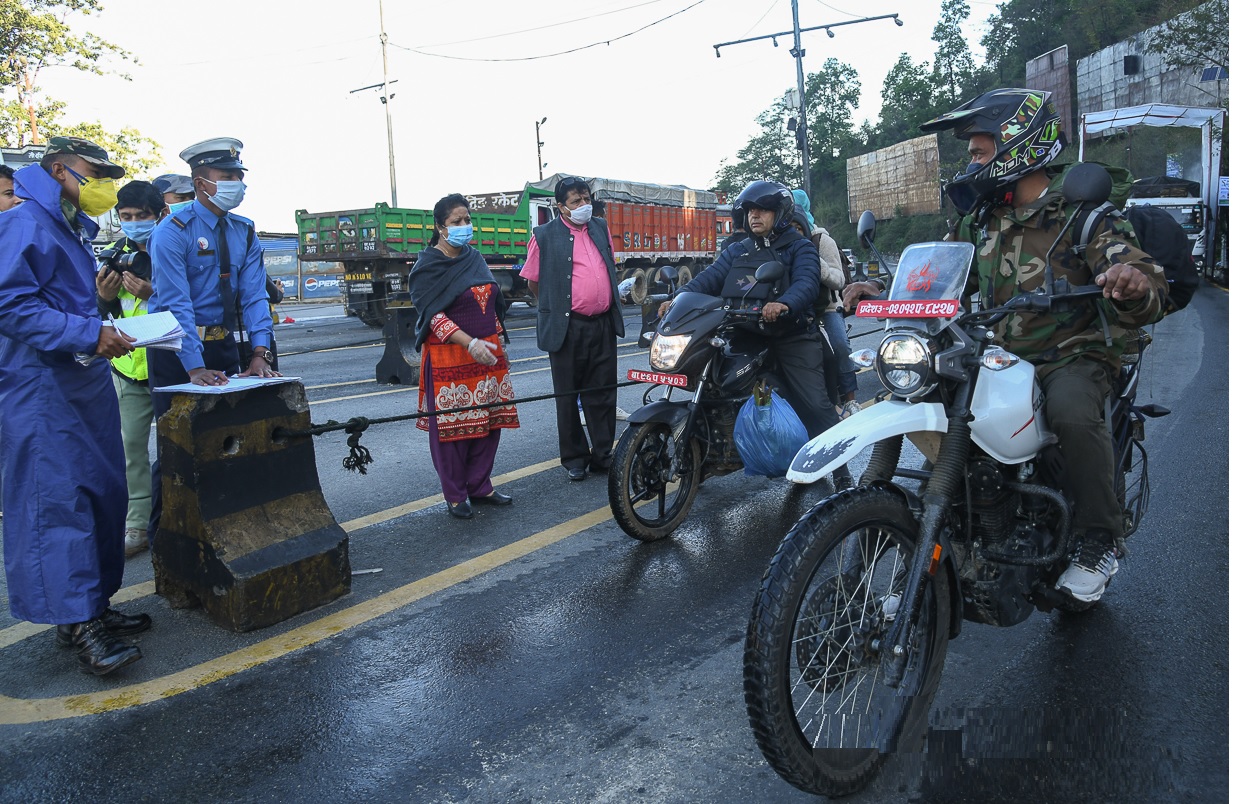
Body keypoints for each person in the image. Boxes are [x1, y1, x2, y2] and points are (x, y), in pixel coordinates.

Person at [843, 88, 1167, 604]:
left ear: (1018, 145)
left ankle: (1098, 540)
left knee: (1071, 409)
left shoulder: (1083, 216)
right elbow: (938, 279)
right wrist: (884, 294)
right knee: (937, 404)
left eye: (978, 151)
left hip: (1073, 352)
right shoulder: (980, 219)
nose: (971, 162)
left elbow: (1142, 278)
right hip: (996, 353)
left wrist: (1130, 279)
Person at [0, 136, 151, 675]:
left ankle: (94, 607)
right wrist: (89, 334)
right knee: (57, 504)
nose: (106, 184)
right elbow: (11, 307)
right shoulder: (25, 224)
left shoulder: (67, 226)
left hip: (80, 384)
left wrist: (98, 324)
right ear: (59, 170)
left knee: (99, 495)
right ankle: (78, 624)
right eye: (98, 173)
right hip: (43, 389)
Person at [658, 180, 852, 490]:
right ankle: (709, 452)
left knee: (815, 405)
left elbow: (806, 283)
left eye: (763, 210)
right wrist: (678, 298)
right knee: (713, 383)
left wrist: (784, 304)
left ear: (781, 213)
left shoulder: (799, 247)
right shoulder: (738, 249)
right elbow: (709, 279)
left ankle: (841, 471)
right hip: (746, 332)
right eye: (750, 211)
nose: (755, 216)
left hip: (792, 334)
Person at [146, 137, 278, 538]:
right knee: (178, 445)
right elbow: (175, 304)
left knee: (225, 440)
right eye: (228, 176)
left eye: (239, 175)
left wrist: (260, 353)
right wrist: (194, 365)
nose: (237, 182)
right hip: (175, 350)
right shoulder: (172, 231)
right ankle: (163, 537)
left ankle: (218, 529)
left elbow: (255, 295)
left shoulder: (244, 230)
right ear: (202, 182)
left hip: (222, 346)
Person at [409, 194, 520, 519]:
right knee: (452, 432)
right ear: (440, 227)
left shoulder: (474, 258)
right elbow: (432, 316)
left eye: (467, 220)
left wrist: (498, 346)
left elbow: (489, 302)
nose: (464, 226)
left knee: (488, 424)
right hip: (451, 359)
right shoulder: (427, 266)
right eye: (456, 222)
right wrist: (469, 343)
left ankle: (479, 485)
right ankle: (456, 494)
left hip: (487, 357)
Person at [520, 176, 625, 481]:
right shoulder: (543, 236)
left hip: (602, 323)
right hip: (568, 327)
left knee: (603, 391)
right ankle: (575, 458)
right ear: (560, 207)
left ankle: (602, 453)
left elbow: (608, 266)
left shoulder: (599, 227)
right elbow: (533, 282)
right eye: (576, 201)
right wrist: (558, 310)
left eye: (586, 198)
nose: (583, 206)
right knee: (568, 395)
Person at [95, 180, 164, 559]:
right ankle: (136, 526)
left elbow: (193, 305)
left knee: (180, 447)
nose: (134, 222)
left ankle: (181, 517)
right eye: (127, 217)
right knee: (130, 450)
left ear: (159, 215)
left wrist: (153, 294)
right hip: (127, 368)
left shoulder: (172, 247)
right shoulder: (111, 255)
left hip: (171, 365)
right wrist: (103, 298)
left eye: (142, 216)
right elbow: (98, 315)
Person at [791, 189, 860, 417]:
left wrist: (815, 263)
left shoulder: (821, 239)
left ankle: (850, 398)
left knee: (840, 345)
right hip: (800, 307)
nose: (794, 230)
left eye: (797, 226)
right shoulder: (782, 240)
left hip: (827, 305)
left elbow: (839, 280)